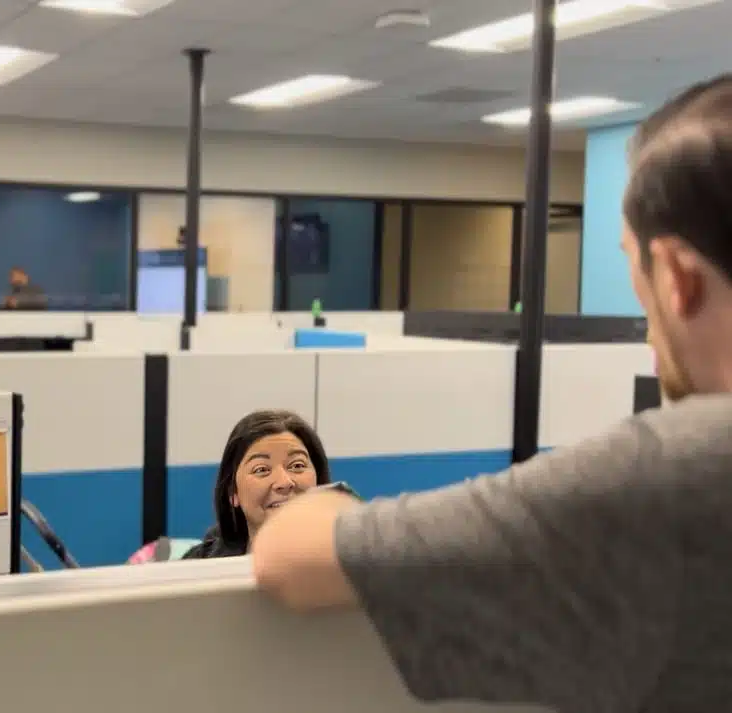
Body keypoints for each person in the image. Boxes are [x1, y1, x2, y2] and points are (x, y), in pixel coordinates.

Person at [252, 74, 732, 712]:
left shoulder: (672, 479)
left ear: (676, 276)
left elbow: (293, 558)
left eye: (631, 264)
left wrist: (319, 501)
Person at [182, 410, 332, 559]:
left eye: (297, 465)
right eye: (262, 469)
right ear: (233, 492)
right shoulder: (198, 566)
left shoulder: (347, 562)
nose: (284, 482)